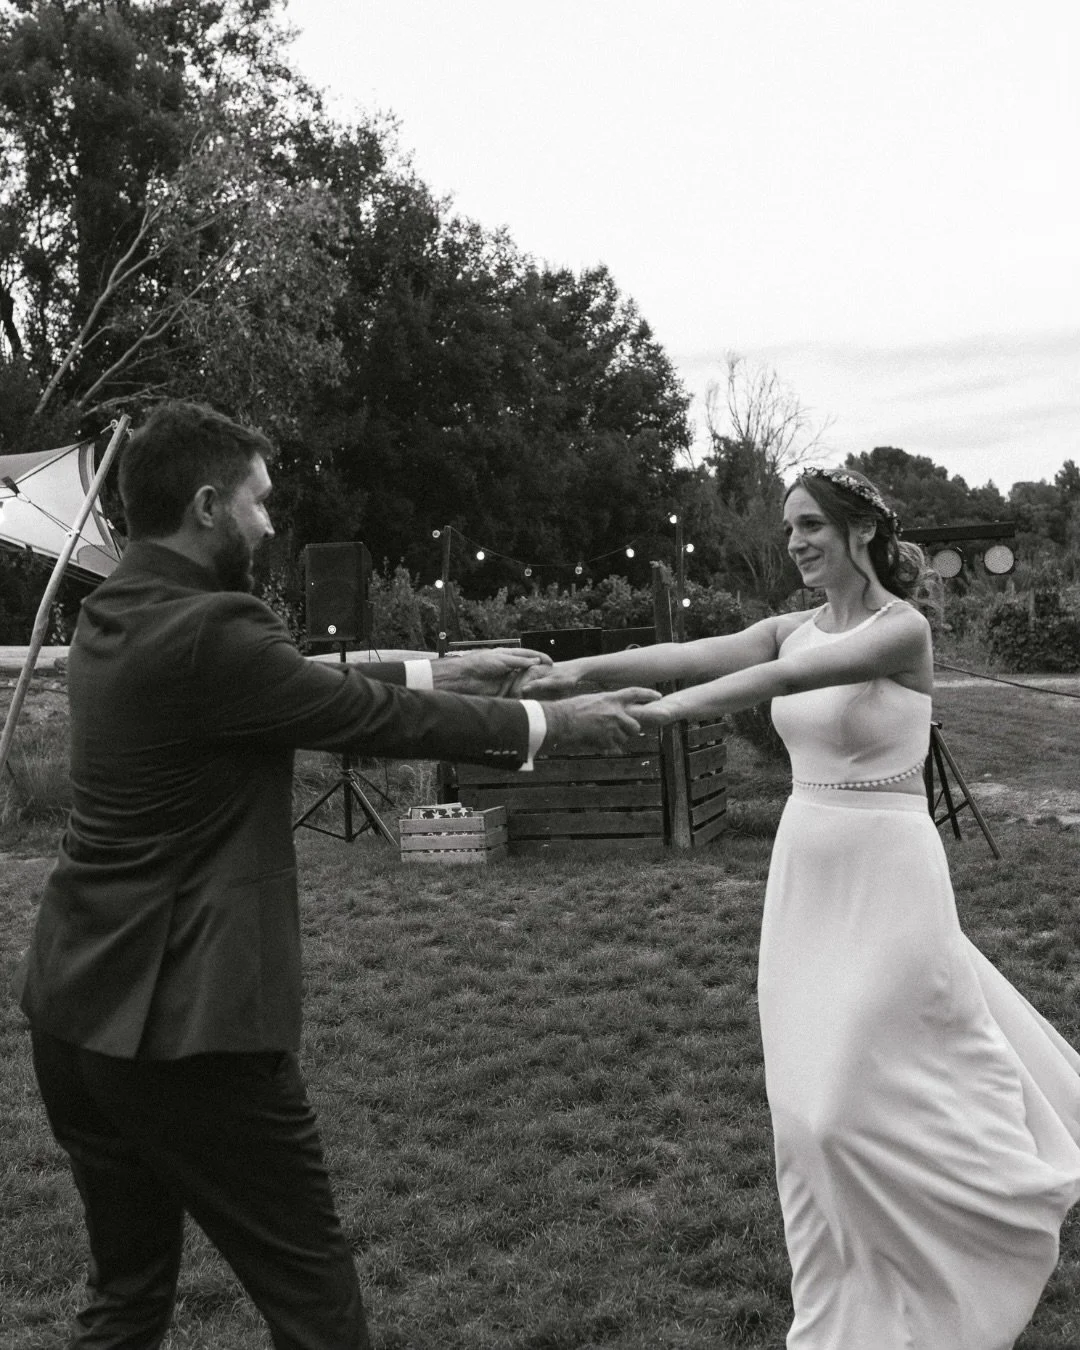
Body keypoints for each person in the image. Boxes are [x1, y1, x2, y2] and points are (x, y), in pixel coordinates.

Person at [13, 400, 659, 1350]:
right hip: (186, 1025)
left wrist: (448, 669)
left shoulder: (116, 610)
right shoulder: (210, 630)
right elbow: (354, 715)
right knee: (315, 1307)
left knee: (126, 1302)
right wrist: (549, 725)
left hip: (74, 1013)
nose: (271, 524)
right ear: (205, 506)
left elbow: (297, 684)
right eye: (260, 503)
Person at [516, 465, 1080, 1349]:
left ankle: (971, 1235)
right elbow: (692, 654)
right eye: (789, 529)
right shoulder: (790, 626)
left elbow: (773, 683)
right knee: (803, 1108)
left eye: (811, 525)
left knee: (846, 1101)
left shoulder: (903, 631)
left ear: (861, 534)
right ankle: (850, 1300)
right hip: (806, 868)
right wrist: (579, 669)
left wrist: (658, 717)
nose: (797, 543)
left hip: (889, 870)